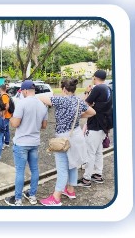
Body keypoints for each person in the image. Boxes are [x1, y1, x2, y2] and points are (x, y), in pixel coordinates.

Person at [36, 78, 95, 206]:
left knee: (62, 167)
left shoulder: (60, 100)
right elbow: (92, 112)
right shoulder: (79, 101)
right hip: (77, 135)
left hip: (63, 138)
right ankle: (70, 190)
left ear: (63, 89)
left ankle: (56, 197)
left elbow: (40, 97)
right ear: (73, 89)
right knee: (73, 164)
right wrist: (78, 115)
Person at [4, 81, 48, 206]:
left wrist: (11, 117)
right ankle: (32, 195)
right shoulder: (42, 105)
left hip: (22, 142)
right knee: (34, 170)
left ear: (24, 91)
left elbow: (15, 124)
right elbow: (44, 126)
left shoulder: (22, 103)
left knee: (20, 171)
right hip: (34, 142)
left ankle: (18, 199)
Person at [81, 70, 113, 186]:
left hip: (95, 125)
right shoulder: (108, 89)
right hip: (104, 125)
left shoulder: (97, 89)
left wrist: (87, 92)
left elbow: (85, 104)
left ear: (95, 78)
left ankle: (86, 179)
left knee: (90, 153)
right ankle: (98, 175)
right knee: (98, 152)